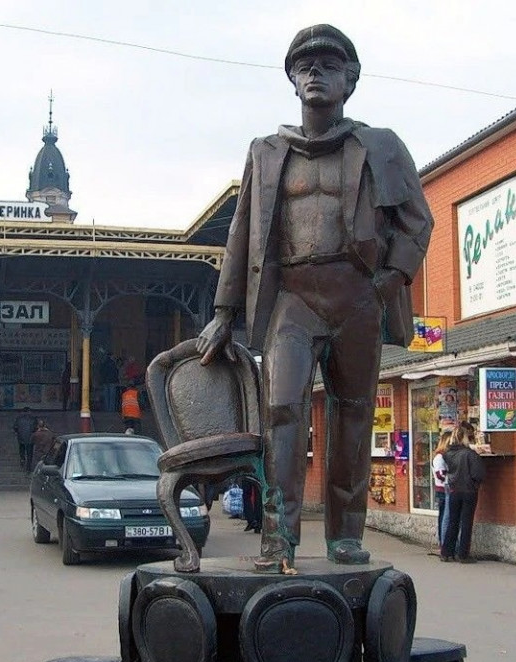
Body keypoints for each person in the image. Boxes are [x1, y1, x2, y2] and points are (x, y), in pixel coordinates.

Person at [196, 24, 433, 572]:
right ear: (292, 82)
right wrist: (223, 313)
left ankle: (345, 537)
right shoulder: (268, 152)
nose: (315, 75)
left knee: (353, 416)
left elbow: (417, 222)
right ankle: (278, 538)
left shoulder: (381, 146)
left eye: (328, 66)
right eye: (305, 67)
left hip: (357, 294)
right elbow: (242, 235)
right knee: (282, 409)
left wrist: (389, 280)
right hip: (295, 297)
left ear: (350, 80)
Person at [440, 425, 486, 563]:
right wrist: (476, 483)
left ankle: (446, 552)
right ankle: (463, 554)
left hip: (454, 490)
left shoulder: (448, 453)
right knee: (466, 522)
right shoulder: (470, 454)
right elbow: (478, 474)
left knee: (453, 522)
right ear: (465, 438)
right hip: (468, 490)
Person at [431, 430, 453, 546]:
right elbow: (440, 474)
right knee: (444, 516)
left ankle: (443, 541)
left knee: (445, 516)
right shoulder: (440, 457)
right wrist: (451, 476)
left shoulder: (444, 456)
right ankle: (442, 541)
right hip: (442, 489)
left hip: (444, 488)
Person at [13, 408, 38, 472]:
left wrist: (18, 432)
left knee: (22, 449)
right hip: (30, 438)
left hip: (21, 438)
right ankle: (28, 467)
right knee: (29, 453)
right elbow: (36, 428)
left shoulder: (18, 419)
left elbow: (15, 427)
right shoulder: (33, 419)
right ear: (29, 412)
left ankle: (22, 459)